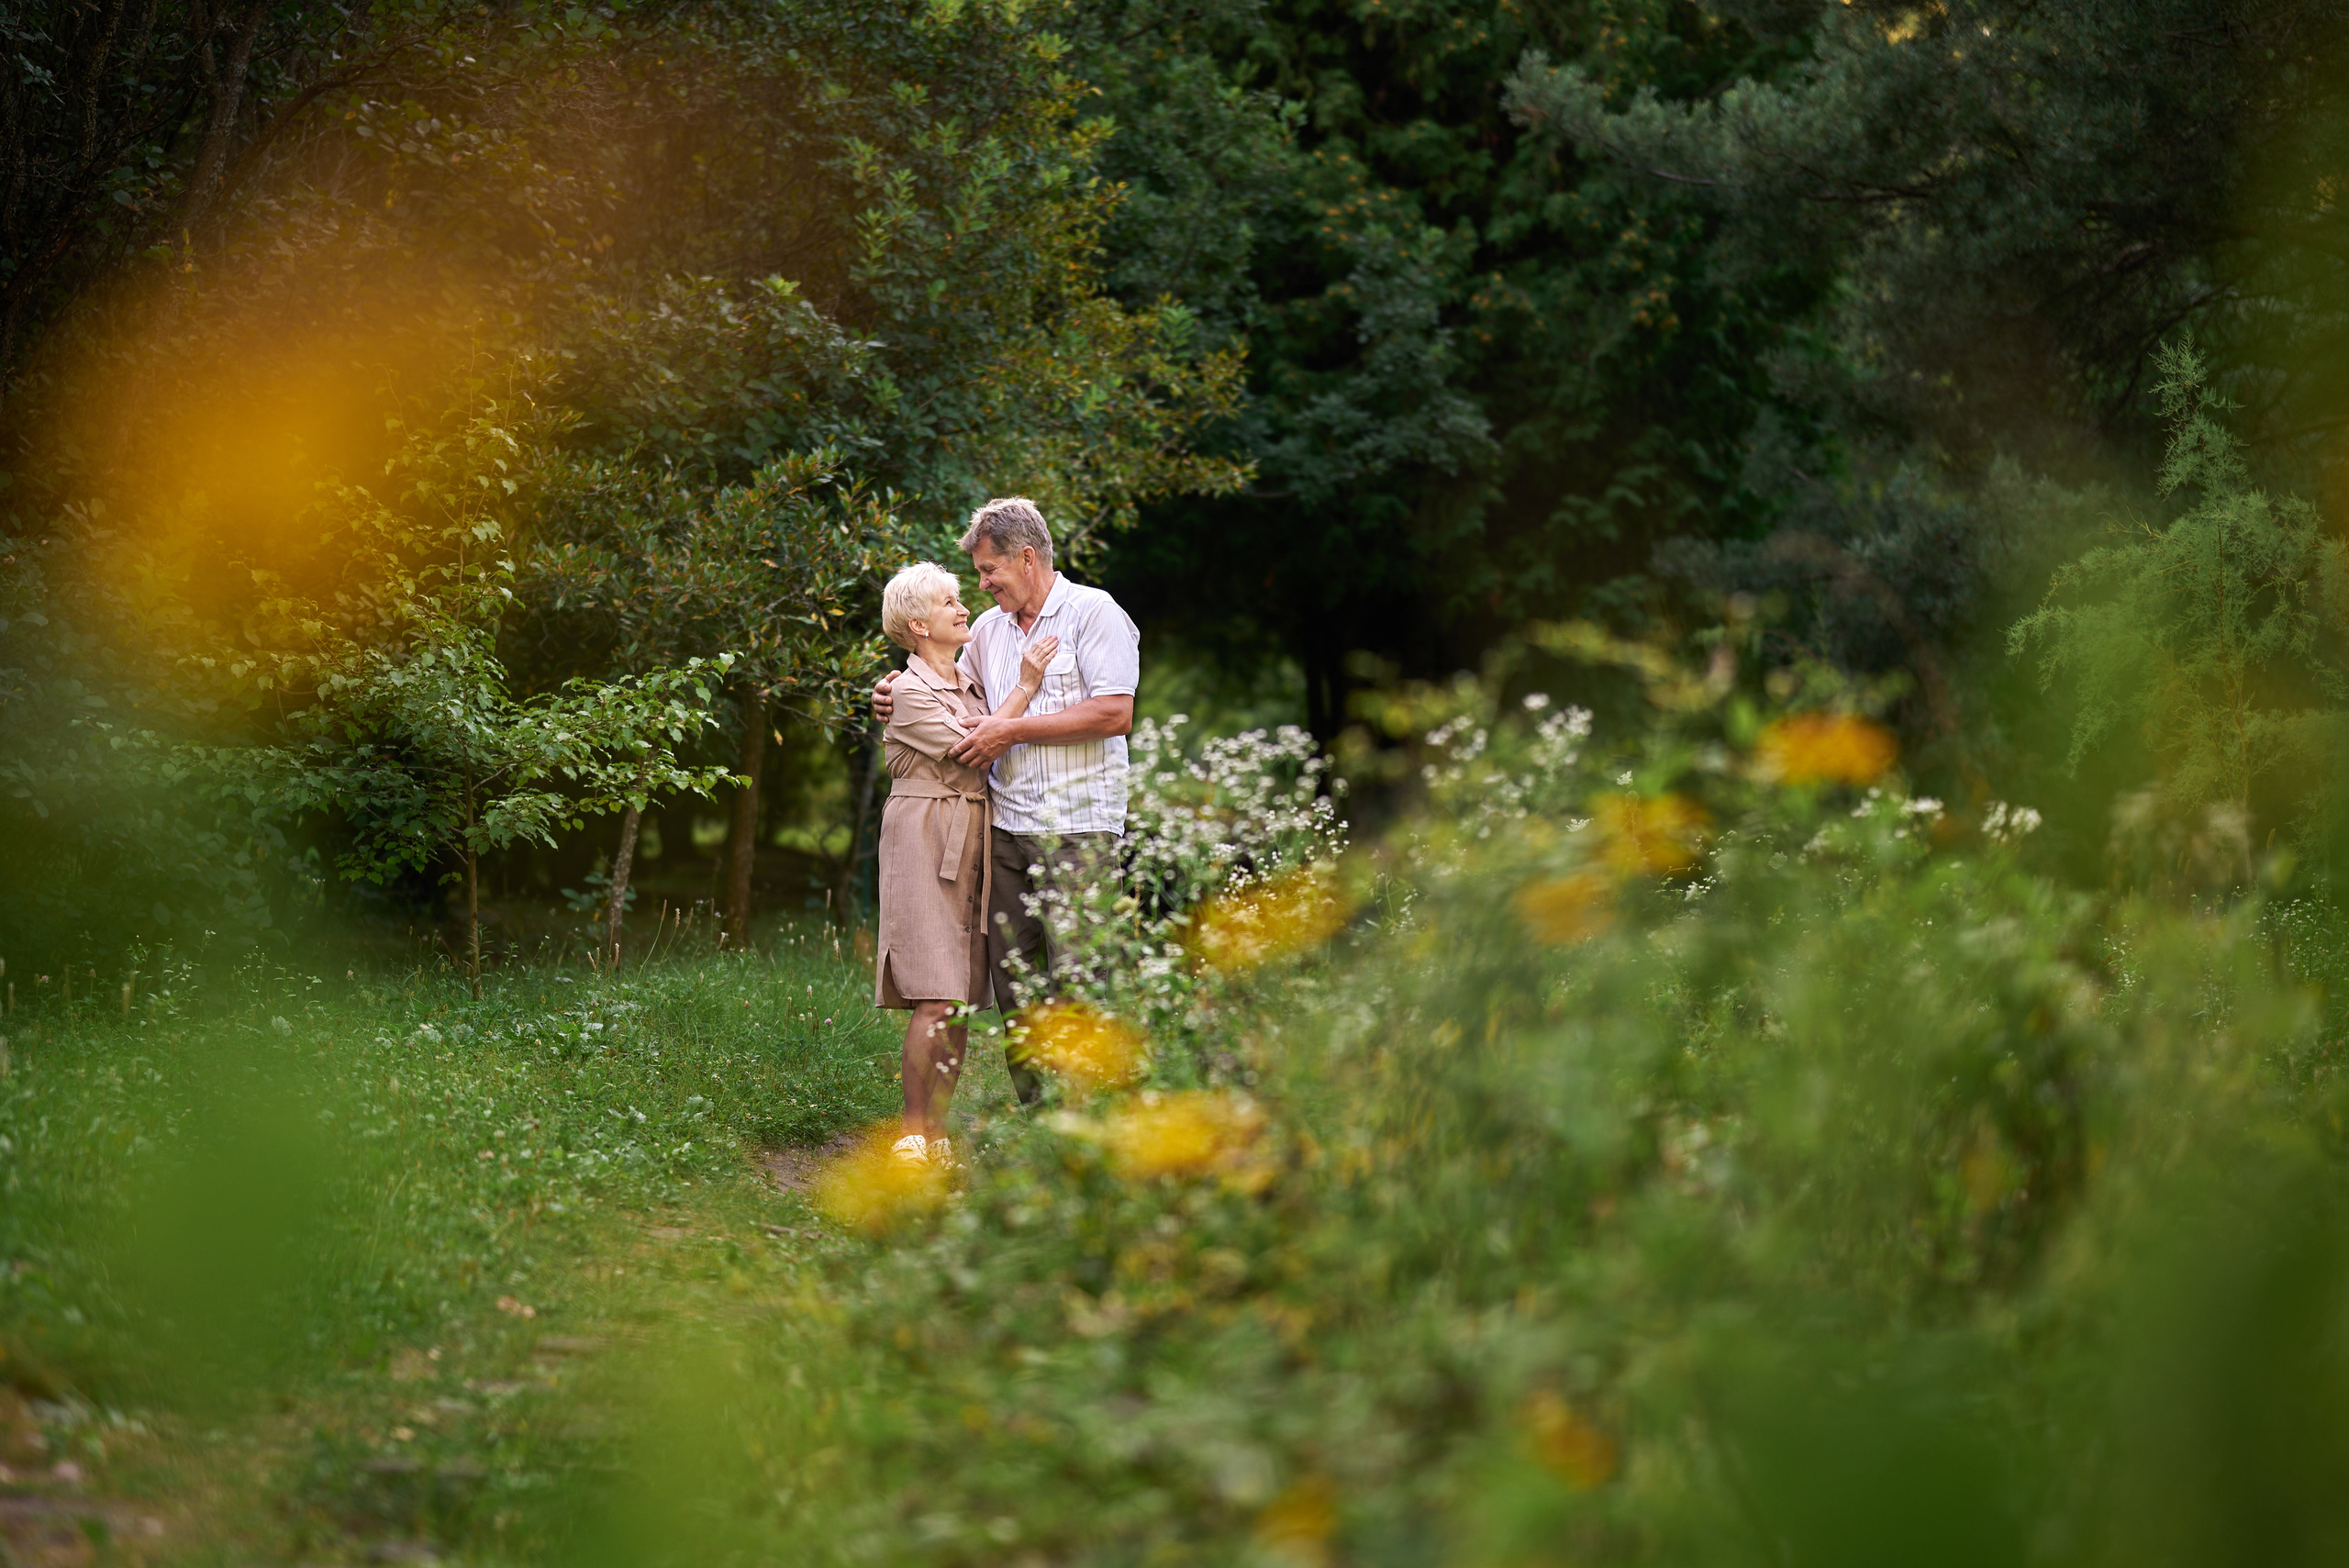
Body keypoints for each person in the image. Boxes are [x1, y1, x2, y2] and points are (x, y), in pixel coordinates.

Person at [874, 497, 1140, 1103]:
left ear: (1026, 557)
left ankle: (1084, 1118)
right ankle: (1037, 1117)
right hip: (1005, 832)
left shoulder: (1094, 613)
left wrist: (1012, 727)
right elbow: (944, 689)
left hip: (1081, 828)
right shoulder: (988, 633)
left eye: (990, 571)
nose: (983, 585)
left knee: (1078, 977)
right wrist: (890, 687)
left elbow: (1115, 713)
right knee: (1014, 983)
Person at [873, 561, 1059, 1169]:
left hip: (974, 835)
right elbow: (974, 747)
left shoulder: (968, 684)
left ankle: (937, 1135)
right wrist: (1028, 685)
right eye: (949, 602)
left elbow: (984, 723)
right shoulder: (906, 689)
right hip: (925, 838)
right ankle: (910, 1136)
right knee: (934, 992)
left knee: (957, 997)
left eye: (960, 598)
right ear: (918, 623)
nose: (963, 609)